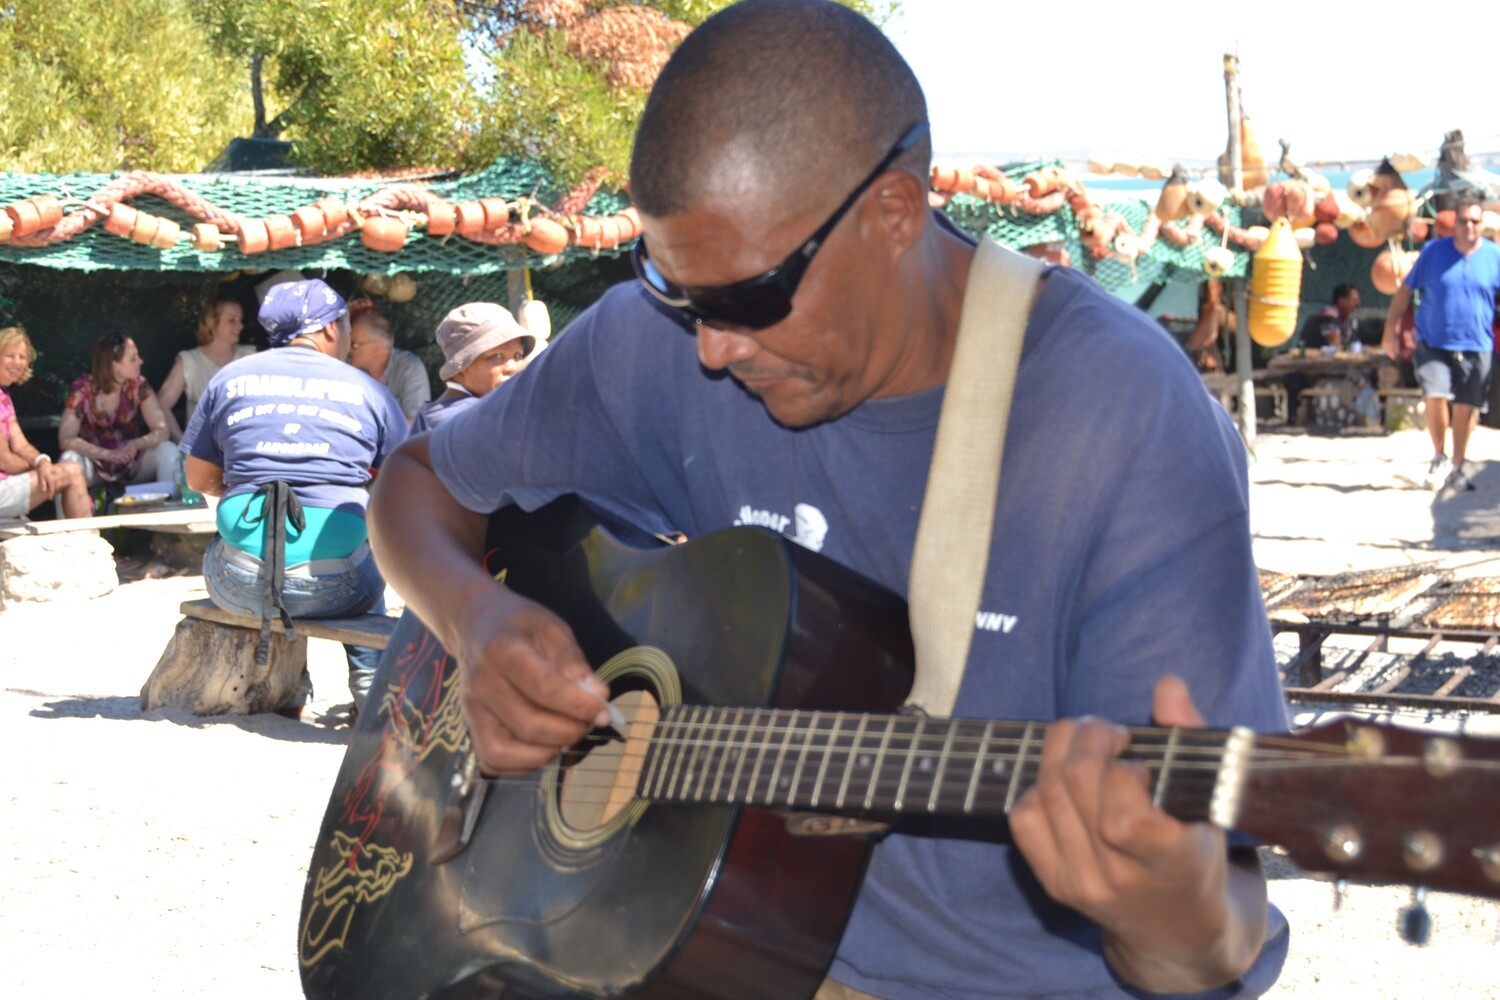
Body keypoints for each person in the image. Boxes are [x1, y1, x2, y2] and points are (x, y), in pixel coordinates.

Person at [366, 2, 1290, 997]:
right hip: (706, 950)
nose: (712, 346)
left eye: (748, 299)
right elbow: (412, 485)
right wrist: (479, 619)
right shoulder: (660, 343)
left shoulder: (1119, 418)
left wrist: (1170, 911)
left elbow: (1209, 942)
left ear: (895, 213)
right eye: (673, 290)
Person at [180, 279, 408, 716]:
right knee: (365, 551)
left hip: (239, 583)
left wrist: (238, 487)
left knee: (248, 548)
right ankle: (368, 685)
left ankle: (291, 689)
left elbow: (198, 478)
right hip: (337, 587)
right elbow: (407, 479)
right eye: (345, 325)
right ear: (327, 330)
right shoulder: (367, 389)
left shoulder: (231, 378)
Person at [1382, 195, 1500, 491]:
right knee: (1435, 395)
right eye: (1463, 221)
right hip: (1434, 341)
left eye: (1475, 221)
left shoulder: (1494, 256)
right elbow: (1404, 292)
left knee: (1466, 407)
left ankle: (1457, 467)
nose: (1469, 226)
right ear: (1454, 224)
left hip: (1477, 344)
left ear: (1482, 225)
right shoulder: (1434, 252)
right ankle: (1439, 456)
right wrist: (1390, 330)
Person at [58, 332, 178, 494]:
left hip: (131, 462)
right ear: (114, 365)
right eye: (133, 358)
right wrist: (107, 454)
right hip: (95, 465)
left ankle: (172, 510)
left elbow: (162, 431)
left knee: (168, 450)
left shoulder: (138, 385)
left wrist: (136, 444)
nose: (140, 361)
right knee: (68, 460)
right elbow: (66, 439)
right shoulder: (83, 389)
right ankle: (66, 520)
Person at [0, 326, 92, 520]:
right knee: (72, 472)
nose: (17, 362)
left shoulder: (4, 397)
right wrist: (39, 469)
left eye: (22, 357)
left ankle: (81, 543)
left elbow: (20, 443)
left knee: (65, 471)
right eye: (10, 355)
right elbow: (4, 459)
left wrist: (42, 461)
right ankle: (89, 545)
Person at [409, 302, 543, 434]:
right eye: (497, 356)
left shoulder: (430, 415)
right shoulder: (476, 421)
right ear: (461, 368)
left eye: (517, 355)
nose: (512, 367)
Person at [158, 298, 256, 442]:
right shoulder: (189, 361)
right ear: (212, 323)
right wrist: (184, 444)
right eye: (232, 320)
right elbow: (161, 405)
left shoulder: (250, 357)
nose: (240, 326)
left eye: (240, 320)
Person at [346, 300, 431, 422]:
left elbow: (416, 423)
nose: (349, 350)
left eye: (354, 344)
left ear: (376, 347)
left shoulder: (409, 367)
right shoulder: (347, 368)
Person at [1297, 283, 1359, 352]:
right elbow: (1335, 344)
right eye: (1354, 301)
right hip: (1310, 359)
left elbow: (1354, 343)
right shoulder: (1328, 315)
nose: (1357, 304)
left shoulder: (1350, 320)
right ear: (1341, 301)